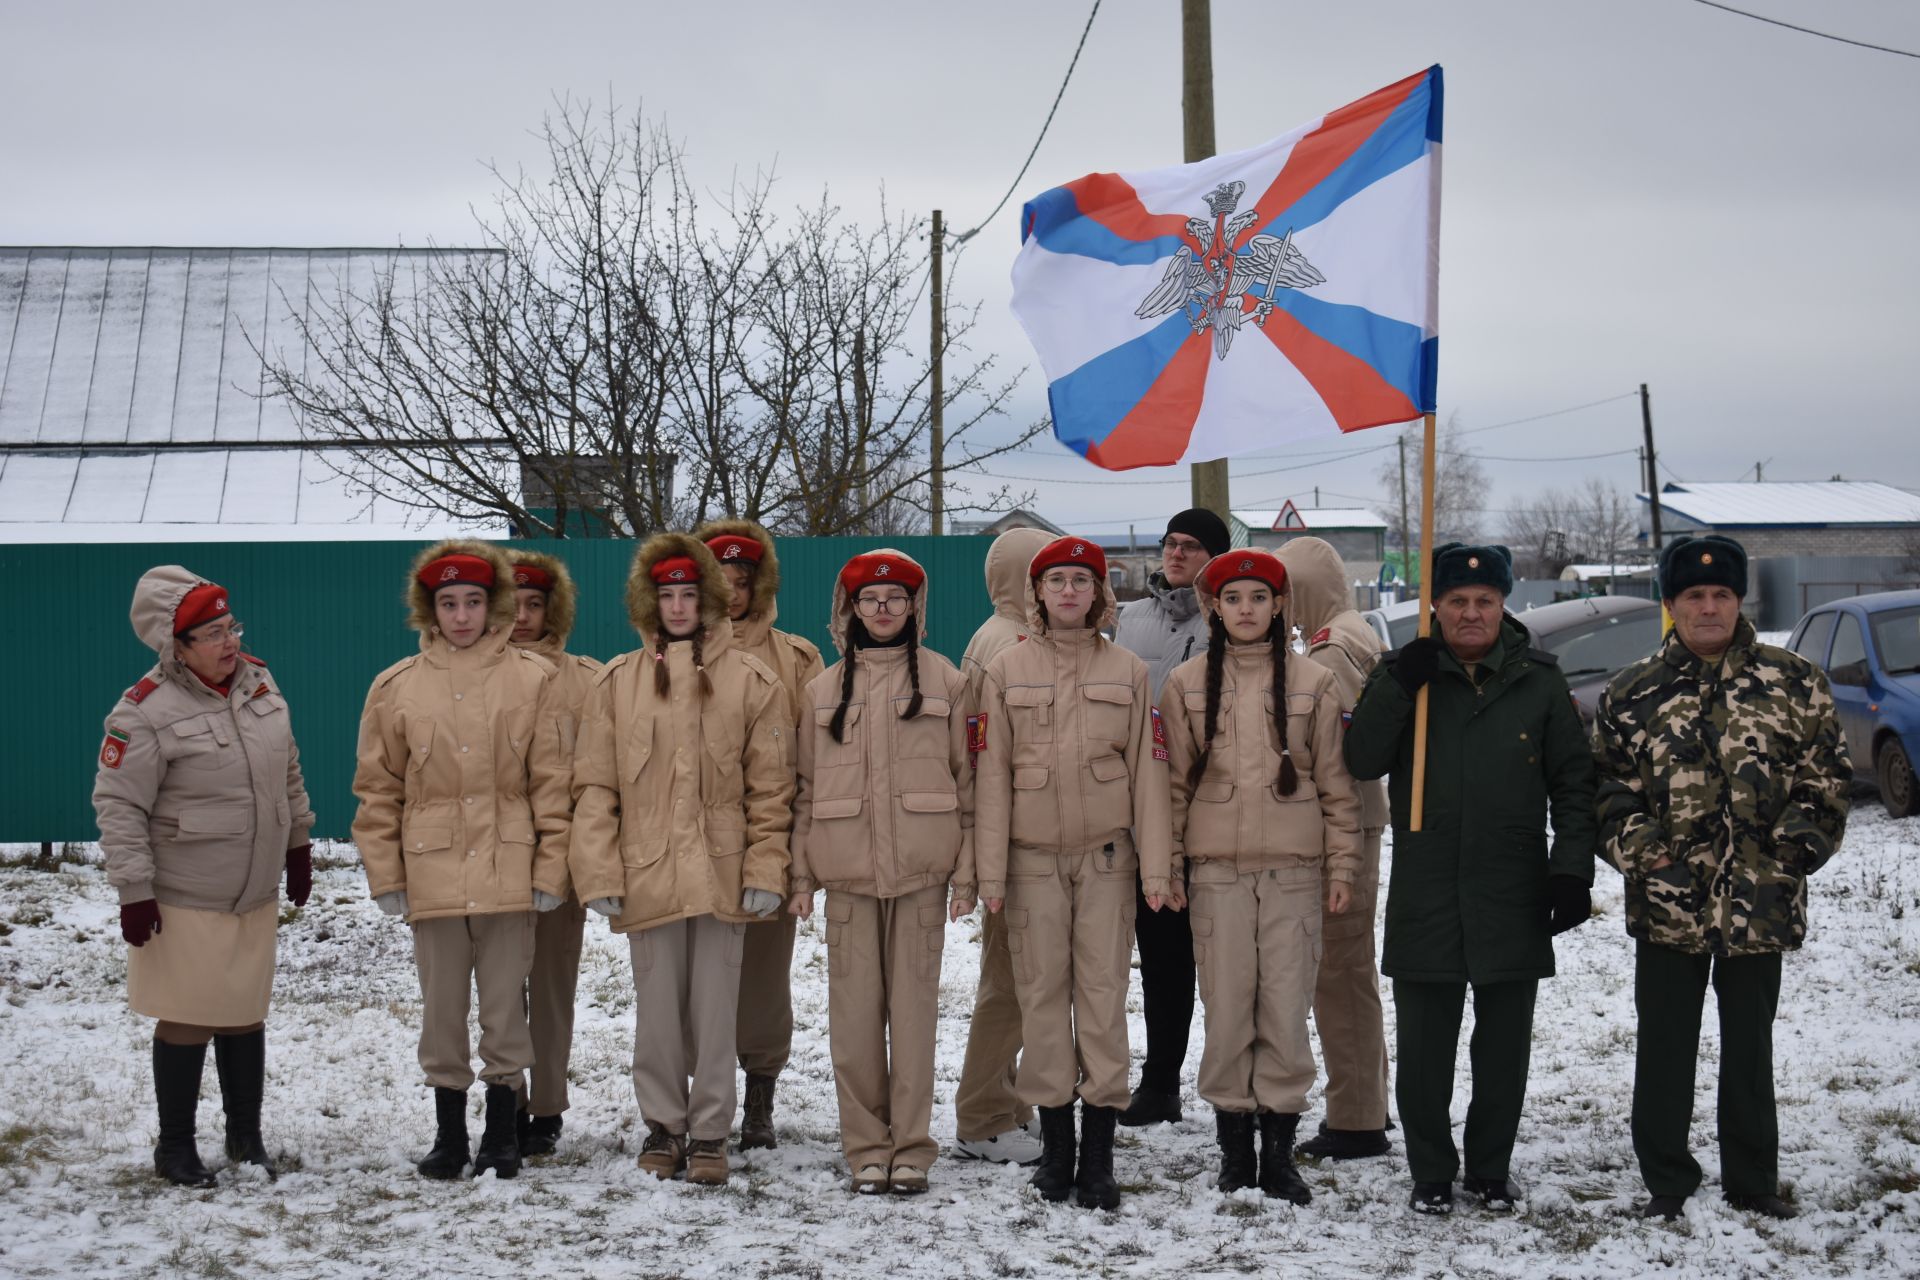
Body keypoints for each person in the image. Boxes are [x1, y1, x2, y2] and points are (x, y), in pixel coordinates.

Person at [1592, 535, 1850, 1222]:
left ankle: (1753, 1176)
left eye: (1722, 595)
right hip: (1670, 898)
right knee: (1665, 1045)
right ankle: (1666, 1180)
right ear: (1671, 605)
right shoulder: (1631, 692)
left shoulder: (1793, 682)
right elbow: (1607, 791)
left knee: (1750, 1043)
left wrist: (1792, 852)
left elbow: (1825, 779)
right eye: (1694, 596)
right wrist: (1646, 854)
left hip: (1758, 901)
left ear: (1740, 602)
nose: (1709, 608)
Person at [1343, 543, 1598, 1216]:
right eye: (1456, 600)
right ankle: (1430, 1169)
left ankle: (1490, 1167)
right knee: (1425, 1045)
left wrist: (1572, 869)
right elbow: (1361, 758)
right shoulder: (1405, 672)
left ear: (1504, 604)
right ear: (1436, 605)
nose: (1470, 613)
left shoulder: (1539, 680)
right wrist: (1400, 687)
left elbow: (1575, 783)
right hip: (1427, 883)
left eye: (1484, 601)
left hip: (1512, 885)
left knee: (1504, 1045)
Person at [568, 533, 794, 1188]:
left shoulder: (754, 682)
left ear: (709, 600)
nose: (676, 606)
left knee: (717, 1012)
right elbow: (595, 787)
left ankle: (711, 1135)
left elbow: (771, 790)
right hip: (648, 873)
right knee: (658, 1012)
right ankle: (664, 1126)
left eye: (688, 594)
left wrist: (764, 870)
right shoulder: (618, 682)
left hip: (722, 874)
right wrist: (600, 873)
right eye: (665, 595)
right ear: (649, 601)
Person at [352, 540, 573, 1182]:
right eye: (448, 603)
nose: (461, 616)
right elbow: (377, 788)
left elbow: (552, 784)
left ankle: (501, 1135)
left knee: (505, 1007)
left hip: (510, 872)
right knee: (442, 1008)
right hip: (433, 873)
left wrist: (550, 869)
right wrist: (387, 874)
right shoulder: (396, 688)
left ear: (493, 604)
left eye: (473, 601)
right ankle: (450, 1135)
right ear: (430, 609)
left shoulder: (534, 680)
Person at [93, 568, 315, 1186]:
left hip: (254, 889)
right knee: (188, 1014)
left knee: (244, 1011)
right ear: (177, 647)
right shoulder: (142, 712)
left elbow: (287, 767)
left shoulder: (259, 684)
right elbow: (120, 805)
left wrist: (298, 841)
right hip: (185, 894)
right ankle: (176, 1147)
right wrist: (134, 892)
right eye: (212, 633)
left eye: (230, 626)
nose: (229, 642)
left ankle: (246, 1138)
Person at [975, 535, 1174, 1211]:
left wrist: (1157, 865)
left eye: (1080, 583)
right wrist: (989, 872)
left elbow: (1150, 773)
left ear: (1099, 593)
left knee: (1101, 997)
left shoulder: (1127, 671)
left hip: (1106, 862)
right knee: (1040, 1000)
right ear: (1037, 593)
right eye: (1055, 582)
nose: (1067, 593)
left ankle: (1098, 1160)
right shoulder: (1007, 670)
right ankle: (1056, 1155)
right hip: (1030, 864)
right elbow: (990, 776)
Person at [1162, 551, 1363, 1203]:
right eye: (1233, 598)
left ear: (1280, 606)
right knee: (1226, 1008)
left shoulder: (1313, 683)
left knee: (1283, 1005)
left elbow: (1337, 785)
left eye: (1259, 597)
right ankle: (1234, 1150)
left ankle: (1278, 1152)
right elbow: (1169, 788)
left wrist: (1343, 865)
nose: (1246, 609)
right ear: (1214, 607)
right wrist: (1167, 866)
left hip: (1295, 873)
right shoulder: (1187, 684)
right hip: (1216, 871)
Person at [788, 549, 976, 1194]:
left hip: (923, 873)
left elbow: (968, 781)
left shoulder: (946, 682)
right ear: (850, 609)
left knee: (916, 1015)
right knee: (854, 1018)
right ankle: (866, 1145)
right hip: (846, 876)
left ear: (913, 608)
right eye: (870, 600)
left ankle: (912, 1149)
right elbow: (805, 791)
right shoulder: (820, 690)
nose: (883, 610)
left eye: (895, 598)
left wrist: (969, 874)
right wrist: (798, 878)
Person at [693, 518, 823, 1150]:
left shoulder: (797, 658)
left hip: (770, 839)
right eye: (722, 579)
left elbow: (815, 761)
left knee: (765, 978)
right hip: (694, 843)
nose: (733, 591)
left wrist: (801, 854)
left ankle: (761, 1096)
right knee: (698, 975)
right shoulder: (676, 651)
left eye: (744, 581)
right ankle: (700, 1095)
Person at [1112, 508, 1230, 1126]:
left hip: (1217, 810)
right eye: (1170, 544)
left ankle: (1239, 1082)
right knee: (1161, 954)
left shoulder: (1234, 620)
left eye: (1191, 546)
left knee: (1229, 959)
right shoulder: (1128, 621)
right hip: (1145, 812)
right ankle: (1160, 1081)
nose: (1176, 554)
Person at [1278, 537, 1394, 1160]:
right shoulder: (1352, 631)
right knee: (1351, 970)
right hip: (1353, 823)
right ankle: (1369, 1099)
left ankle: (1356, 1119)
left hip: (1340, 828)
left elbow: (1341, 754)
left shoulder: (1333, 649)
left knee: (1341, 973)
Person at [952, 525, 1051, 1166]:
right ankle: (983, 1114)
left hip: (1025, 836)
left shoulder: (1014, 636)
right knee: (1008, 983)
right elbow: (981, 754)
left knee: (1020, 979)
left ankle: (1009, 1103)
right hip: (1015, 839)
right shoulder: (1006, 644)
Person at [506, 553, 604, 1157]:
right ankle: (505, 1095)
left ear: (554, 610)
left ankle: (545, 1104)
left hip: (559, 855)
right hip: (489, 853)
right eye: (511, 602)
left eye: (534, 604)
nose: (520, 616)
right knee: (497, 988)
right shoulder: (475, 673)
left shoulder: (586, 679)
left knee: (549, 985)